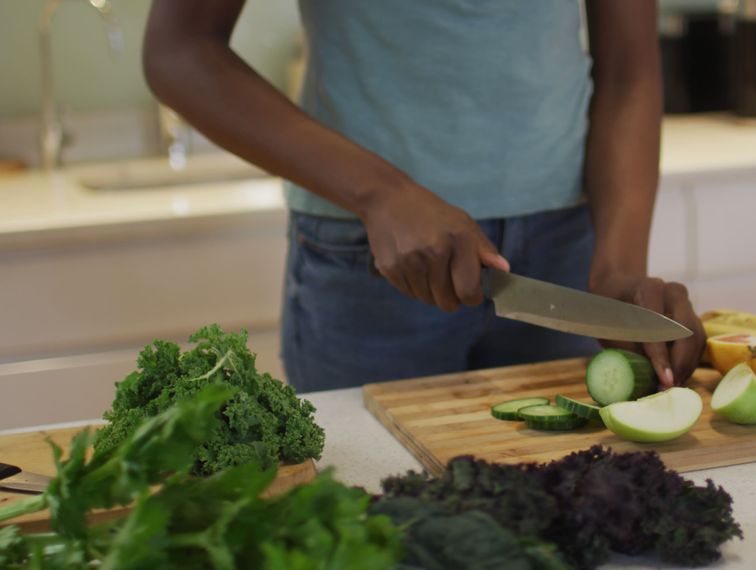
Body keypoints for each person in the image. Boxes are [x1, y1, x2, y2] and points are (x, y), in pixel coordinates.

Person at [142, 0, 705, 393]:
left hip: (567, 255)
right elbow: (180, 50)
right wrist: (381, 193)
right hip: (369, 259)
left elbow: (629, 68)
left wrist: (618, 268)